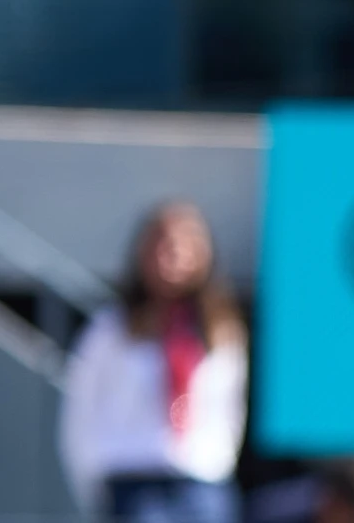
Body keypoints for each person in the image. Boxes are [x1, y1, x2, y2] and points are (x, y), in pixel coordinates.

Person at [60, 201, 249, 521]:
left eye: (184, 244)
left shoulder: (220, 328)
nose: (172, 255)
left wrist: (216, 460)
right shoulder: (112, 328)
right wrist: (91, 480)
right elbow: (81, 411)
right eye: (162, 244)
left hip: (201, 485)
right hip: (136, 483)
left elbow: (230, 407)